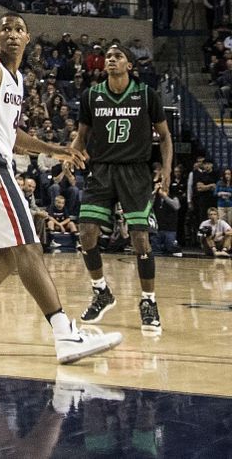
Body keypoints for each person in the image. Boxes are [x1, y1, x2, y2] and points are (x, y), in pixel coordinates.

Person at [0, 15, 122, 364]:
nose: (13, 34)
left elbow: (12, 136)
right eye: (6, 29)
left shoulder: (16, 81)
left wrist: (57, 149)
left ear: (28, 37)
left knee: (9, 252)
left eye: (19, 29)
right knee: (30, 247)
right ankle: (65, 335)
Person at [70, 42, 172, 337]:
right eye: (109, 57)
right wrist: (71, 154)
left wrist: (165, 169)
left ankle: (149, 302)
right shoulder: (92, 95)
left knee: (140, 239)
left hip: (135, 172)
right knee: (86, 233)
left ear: (130, 65)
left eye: (118, 56)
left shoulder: (145, 95)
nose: (111, 60)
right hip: (101, 170)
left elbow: (164, 137)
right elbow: (82, 135)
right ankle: (101, 291)